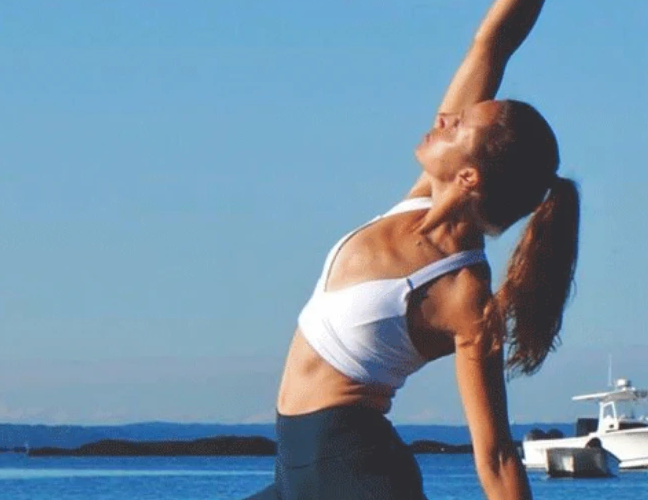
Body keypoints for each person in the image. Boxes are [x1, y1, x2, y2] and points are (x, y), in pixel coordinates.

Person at [244, 0, 578, 499]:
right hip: (293, 467)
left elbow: (497, 455)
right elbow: (493, 43)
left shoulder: (464, 295)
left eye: (460, 127)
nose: (445, 119)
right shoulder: (418, 200)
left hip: (355, 469)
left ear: (468, 177)